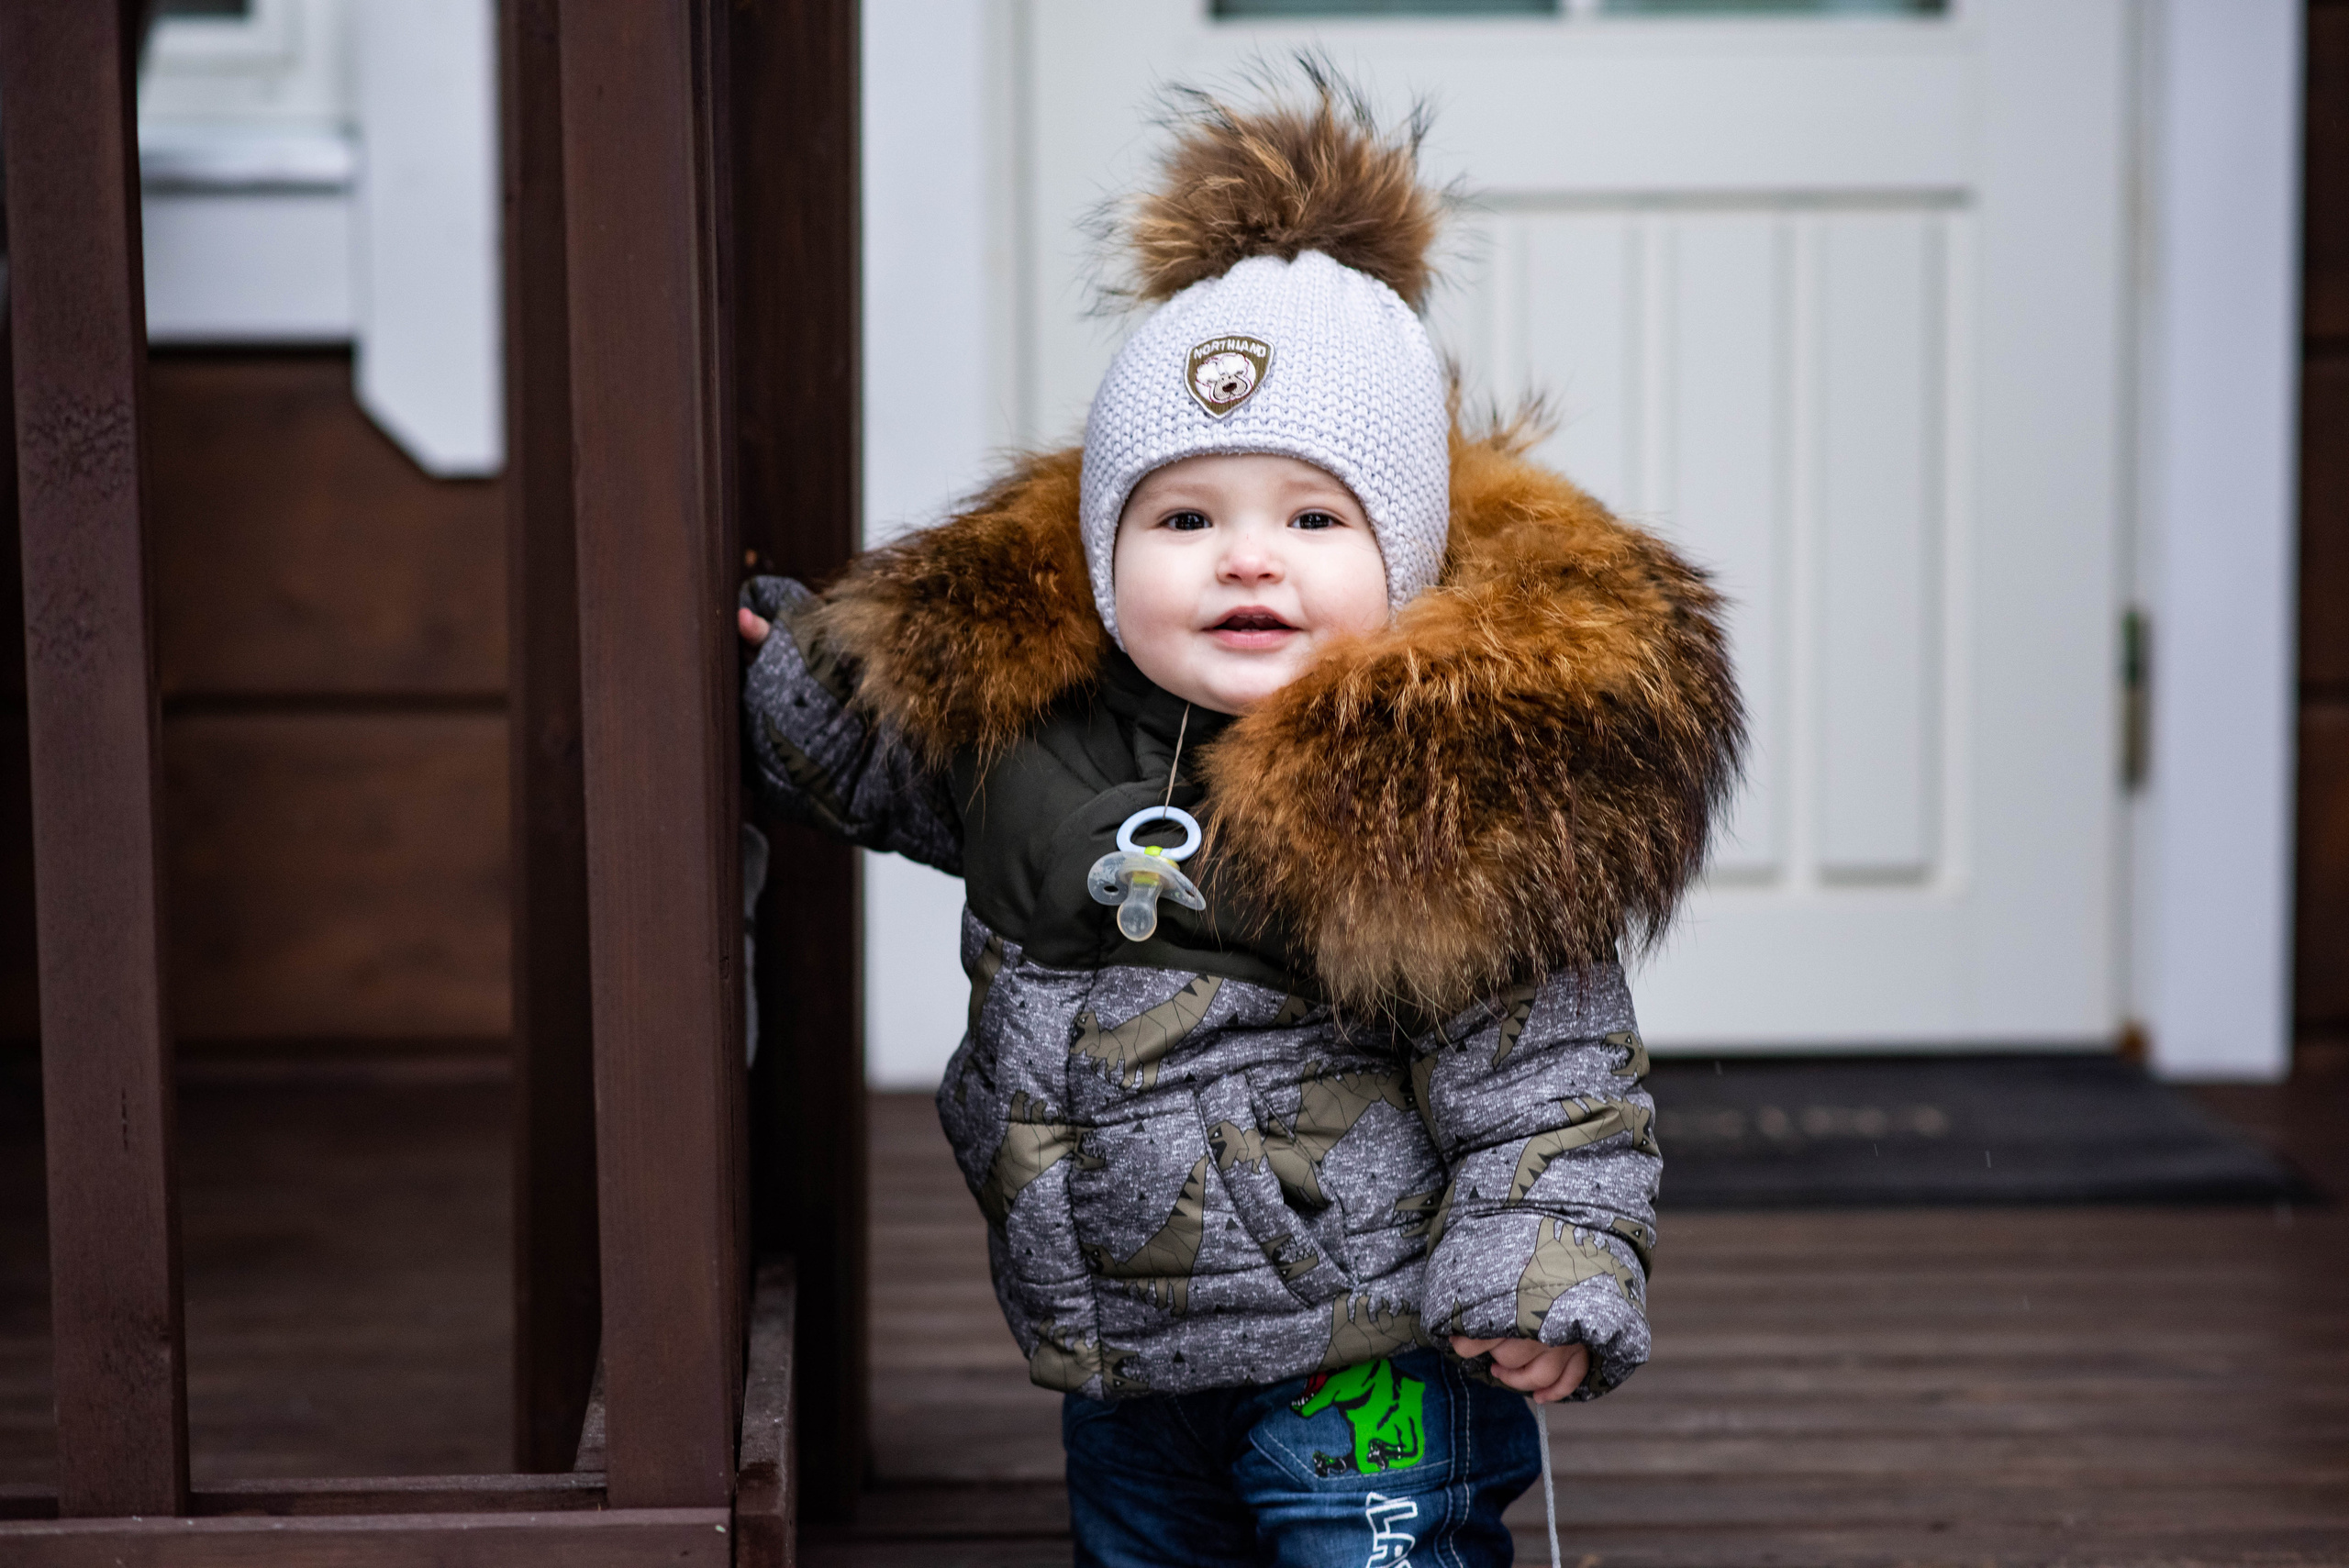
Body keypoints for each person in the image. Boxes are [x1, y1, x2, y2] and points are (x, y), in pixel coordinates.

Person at [738, 67, 1742, 1568]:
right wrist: (799, 678)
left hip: (1372, 1356)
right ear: (1101, 553)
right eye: (1185, 517)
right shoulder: (1037, 735)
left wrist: (1540, 1271)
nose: (1245, 560)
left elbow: (1548, 1075)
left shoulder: (1427, 788)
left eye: (1313, 518)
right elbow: (891, 761)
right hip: (1125, 1359)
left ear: (1400, 556)